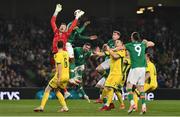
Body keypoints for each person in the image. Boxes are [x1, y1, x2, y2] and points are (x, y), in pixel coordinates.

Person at [34, 41, 70, 112]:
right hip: (67, 75)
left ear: (56, 46)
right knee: (57, 90)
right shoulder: (66, 53)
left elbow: (59, 66)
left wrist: (59, 78)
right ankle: (65, 107)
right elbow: (65, 64)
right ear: (63, 46)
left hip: (60, 76)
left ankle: (41, 106)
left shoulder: (57, 55)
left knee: (47, 89)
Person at [125, 32, 155, 114]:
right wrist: (145, 41)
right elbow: (152, 43)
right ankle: (144, 106)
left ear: (132, 38)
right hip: (142, 68)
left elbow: (120, 48)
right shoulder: (143, 45)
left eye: (131, 36)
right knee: (141, 88)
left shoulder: (129, 45)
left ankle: (132, 104)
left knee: (128, 86)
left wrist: (111, 49)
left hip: (135, 67)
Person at [99, 40, 126, 111]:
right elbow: (103, 53)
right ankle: (110, 104)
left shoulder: (122, 51)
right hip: (111, 73)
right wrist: (96, 52)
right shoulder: (113, 50)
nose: (116, 43)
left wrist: (109, 49)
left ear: (121, 44)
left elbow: (115, 56)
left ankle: (107, 105)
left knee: (111, 88)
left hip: (118, 74)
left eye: (118, 42)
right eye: (115, 42)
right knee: (105, 88)